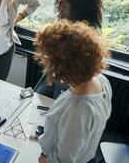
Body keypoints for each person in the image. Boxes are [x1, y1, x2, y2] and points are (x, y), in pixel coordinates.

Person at [34, 21, 112, 163]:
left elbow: (64, 159)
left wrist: (44, 159)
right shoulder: (102, 81)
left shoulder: (77, 110)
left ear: (63, 66)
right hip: (87, 154)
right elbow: (78, 136)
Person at [35, 0, 103, 98]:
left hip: (68, 88)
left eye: (64, 5)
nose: (59, 9)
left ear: (78, 7)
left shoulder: (90, 36)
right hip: (51, 81)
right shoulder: (66, 21)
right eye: (59, 3)